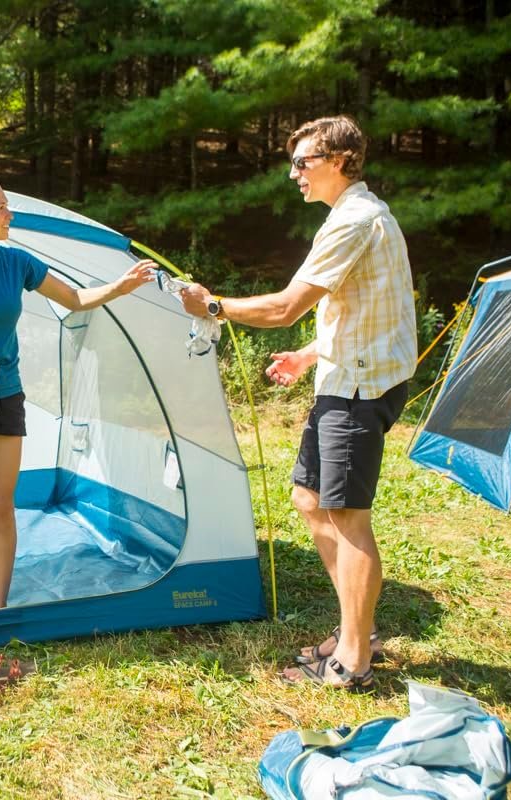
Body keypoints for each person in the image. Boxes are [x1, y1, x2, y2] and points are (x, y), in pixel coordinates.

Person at [180, 115, 417, 691]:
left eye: (303, 163)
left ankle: (354, 660)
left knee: (348, 517)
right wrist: (311, 354)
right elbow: (366, 308)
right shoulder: (356, 216)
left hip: (359, 388)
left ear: (339, 160)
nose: (294, 174)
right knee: (309, 499)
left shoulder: (355, 221)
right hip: (344, 377)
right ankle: (356, 627)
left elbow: (286, 307)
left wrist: (212, 306)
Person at [0, 172, 156, 615]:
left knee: (1, 507)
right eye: (1, 208)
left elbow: (75, 299)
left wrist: (121, 286)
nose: (10, 215)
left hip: (6, 396)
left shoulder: (17, 264)